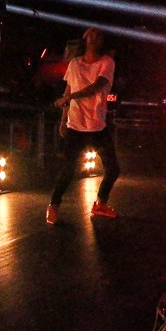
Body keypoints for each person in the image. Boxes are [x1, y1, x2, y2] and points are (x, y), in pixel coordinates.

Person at [46, 27, 119, 225]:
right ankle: (53, 206)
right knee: (68, 170)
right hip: (75, 125)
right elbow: (68, 90)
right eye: (90, 35)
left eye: (98, 35)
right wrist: (63, 119)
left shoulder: (107, 62)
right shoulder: (74, 64)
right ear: (84, 39)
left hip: (97, 125)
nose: (94, 38)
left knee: (113, 169)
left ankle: (100, 203)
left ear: (102, 41)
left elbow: (96, 86)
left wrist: (69, 97)